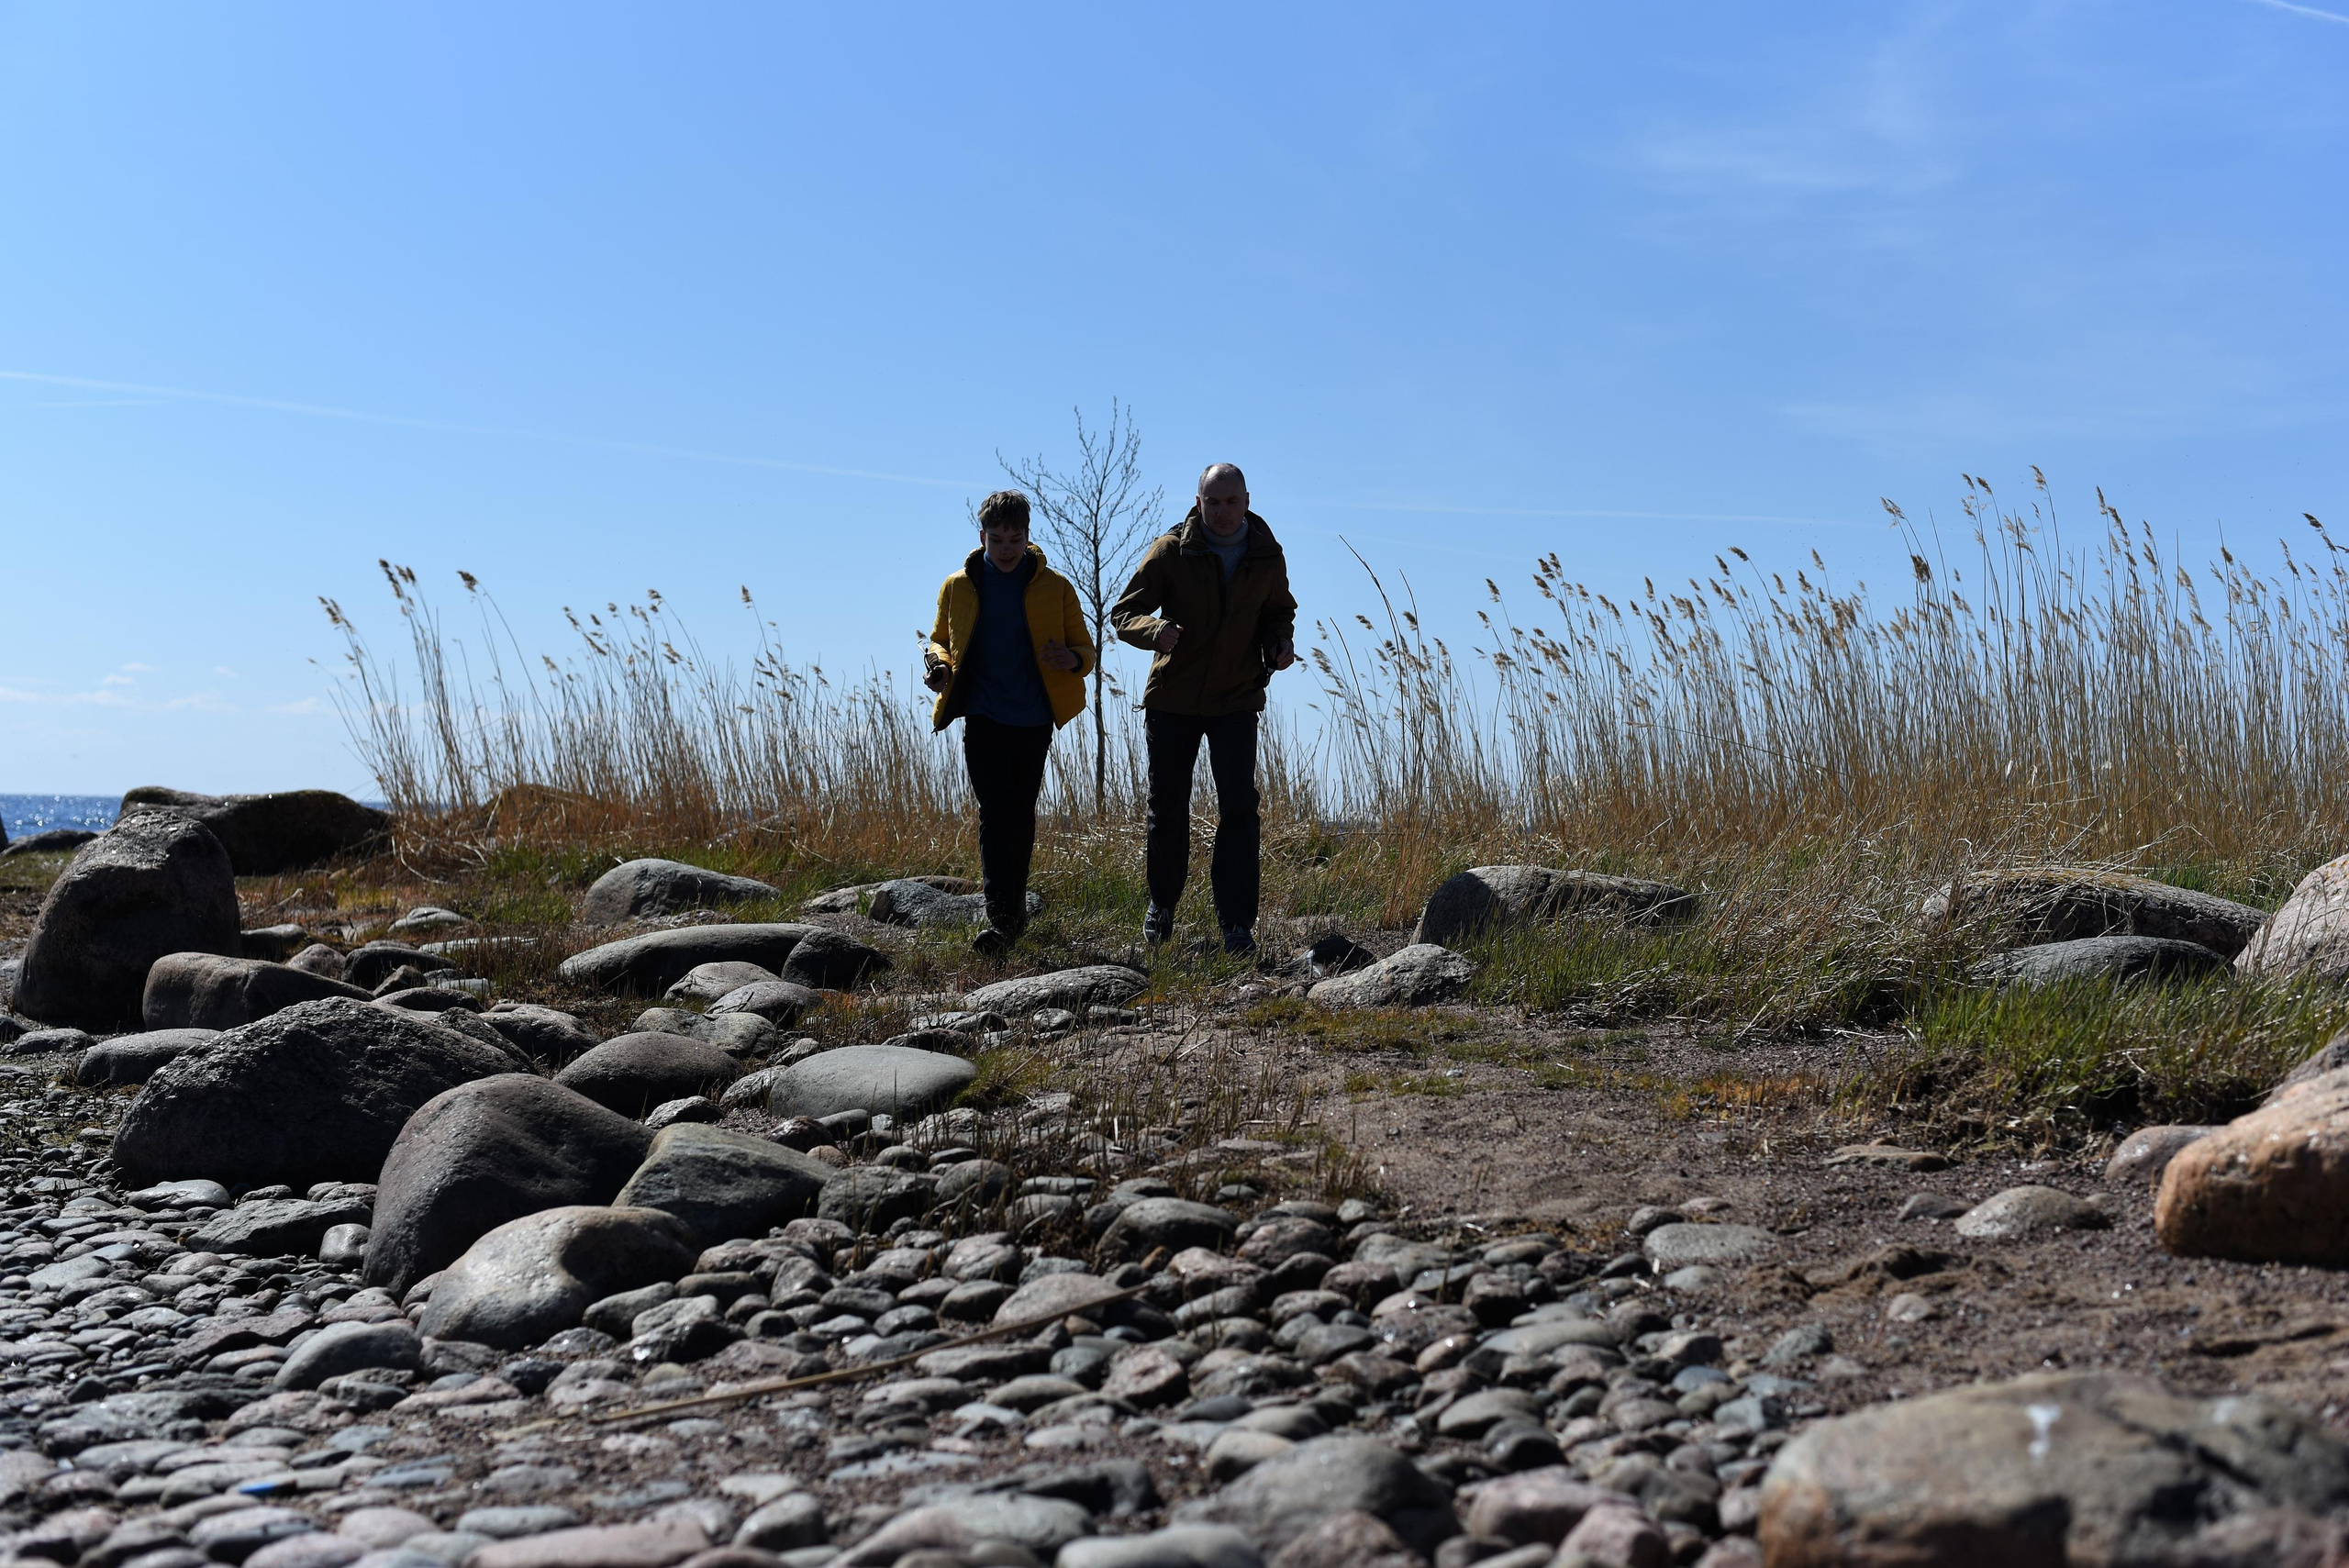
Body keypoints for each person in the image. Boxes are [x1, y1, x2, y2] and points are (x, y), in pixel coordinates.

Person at [1110, 462, 1297, 953]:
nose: (1222, 511)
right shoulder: (1172, 550)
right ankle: (1162, 906)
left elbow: (1279, 611)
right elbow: (1124, 613)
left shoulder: (1266, 553)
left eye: (1231, 501)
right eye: (1212, 502)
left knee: (1239, 808)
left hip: (1236, 698)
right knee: (1167, 807)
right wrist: (1156, 631)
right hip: (1173, 699)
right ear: (1198, 503)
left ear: (1247, 502)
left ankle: (1236, 926)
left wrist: (1279, 643)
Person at [924, 490, 1096, 958]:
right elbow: (939, 641)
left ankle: (1012, 912)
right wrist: (939, 667)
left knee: (1018, 812)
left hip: (1033, 717)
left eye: (1015, 540)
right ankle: (1000, 918)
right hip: (982, 712)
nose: (1006, 549)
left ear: (1027, 537)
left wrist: (1070, 658)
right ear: (982, 536)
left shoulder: (1054, 587)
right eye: (997, 539)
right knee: (994, 811)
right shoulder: (959, 585)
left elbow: (1086, 651)